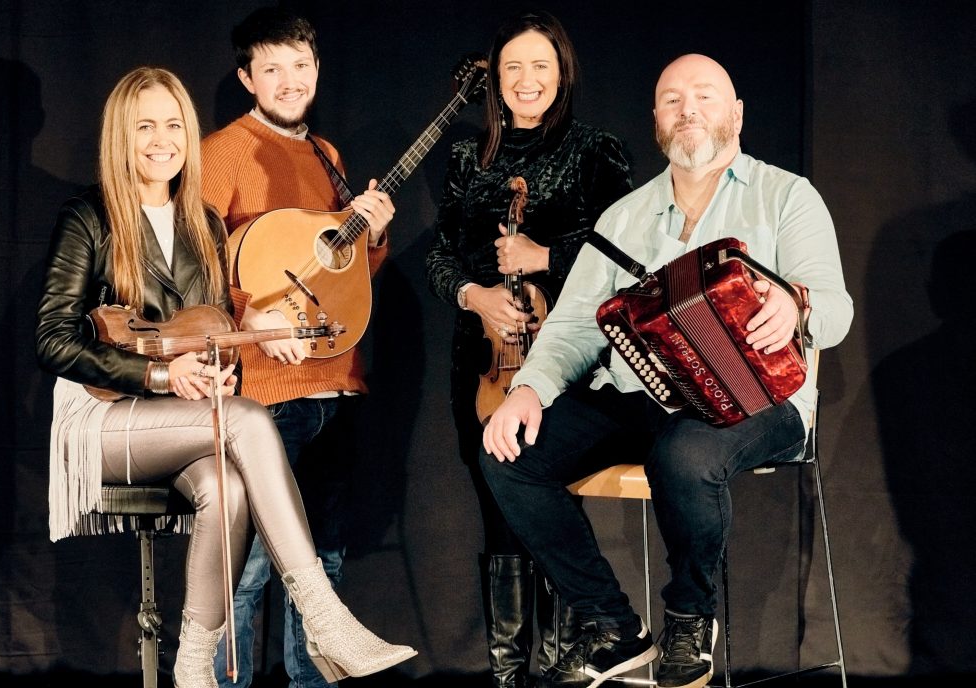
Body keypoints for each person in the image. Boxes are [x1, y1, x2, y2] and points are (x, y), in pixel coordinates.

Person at [479, 53, 854, 688]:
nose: (688, 110)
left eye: (705, 96)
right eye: (673, 99)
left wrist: (797, 302)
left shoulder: (787, 195)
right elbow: (572, 327)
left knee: (683, 453)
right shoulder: (621, 219)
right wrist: (527, 391)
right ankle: (613, 627)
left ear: (736, 114)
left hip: (763, 399)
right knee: (508, 455)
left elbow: (836, 309)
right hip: (640, 396)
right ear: (656, 119)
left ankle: (688, 618)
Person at [35, 66, 415, 688]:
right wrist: (161, 377)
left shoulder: (202, 225)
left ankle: (193, 668)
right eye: (145, 127)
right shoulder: (88, 217)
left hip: (178, 419)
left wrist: (240, 345)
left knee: (228, 488)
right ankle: (326, 618)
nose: (163, 140)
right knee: (246, 418)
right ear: (119, 138)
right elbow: (54, 340)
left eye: (174, 125)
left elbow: (209, 326)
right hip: (99, 417)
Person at [425, 10, 634, 688]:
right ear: (496, 79)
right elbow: (440, 255)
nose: (526, 79)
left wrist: (544, 254)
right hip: (483, 361)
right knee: (499, 507)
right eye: (513, 66)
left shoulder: (594, 150)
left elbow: (626, 258)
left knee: (550, 501)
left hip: (570, 363)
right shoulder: (468, 159)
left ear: (562, 73)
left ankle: (569, 663)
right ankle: (509, 673)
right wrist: (474, 296)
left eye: (540, 65)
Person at [200, 8, 397, 688]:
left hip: (335, 386)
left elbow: (345, 285)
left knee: (325, 564)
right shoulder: (220, 153)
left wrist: (372, 236)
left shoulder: (328, 158)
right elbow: (192, 270)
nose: (290, 81)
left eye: (302, 67)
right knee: (250, 570)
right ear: (247, 76)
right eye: (273, 68)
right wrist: (255, 320)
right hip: (263, 396)